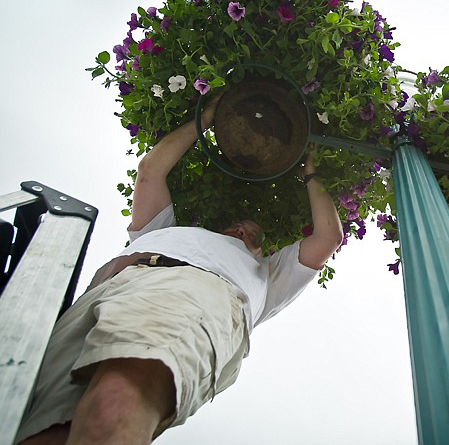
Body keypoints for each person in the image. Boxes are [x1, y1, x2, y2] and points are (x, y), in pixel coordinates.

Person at [15, 95, 343, 445]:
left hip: (198, 293)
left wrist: (312, 173)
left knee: (117, 399)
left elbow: (328, 237)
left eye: (253, 235)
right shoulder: (164, 230)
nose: (242, 230)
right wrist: (207, 121)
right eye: (238, 226)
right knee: (43, 430)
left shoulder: (267, 275)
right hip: (108, 289)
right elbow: (150, 171)